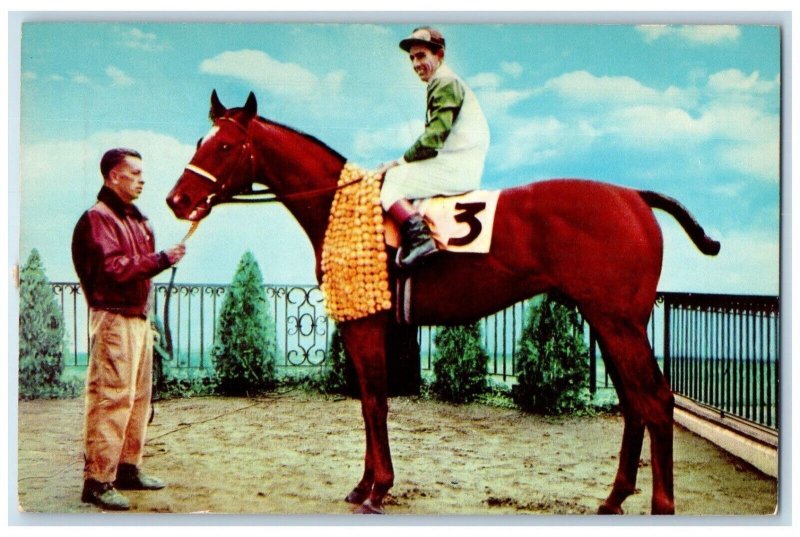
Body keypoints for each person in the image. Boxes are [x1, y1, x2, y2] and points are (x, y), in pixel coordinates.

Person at [71, 147, 186, 510]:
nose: (142, 179)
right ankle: (98, 480)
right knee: (112, 396)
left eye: (141, 173)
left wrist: (158, 263)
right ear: (111, 177)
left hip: (136, 319)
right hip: (113, 318)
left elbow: (133, 268)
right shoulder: (97, 218)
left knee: (138, 397)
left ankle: (127, 467)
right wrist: (161, 259)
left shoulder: (138, 220)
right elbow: (114, 269)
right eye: (133, 173)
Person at [380, 26, 490, 269]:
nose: (416, 64)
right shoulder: (442, 81)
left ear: (439, 55)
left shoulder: (445, 81)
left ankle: (420, 239)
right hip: (457, 160)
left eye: (421, 56)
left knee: (391, 182)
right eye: (412, 58)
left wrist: (397, 162)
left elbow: (433, 139)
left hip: (458, 166)